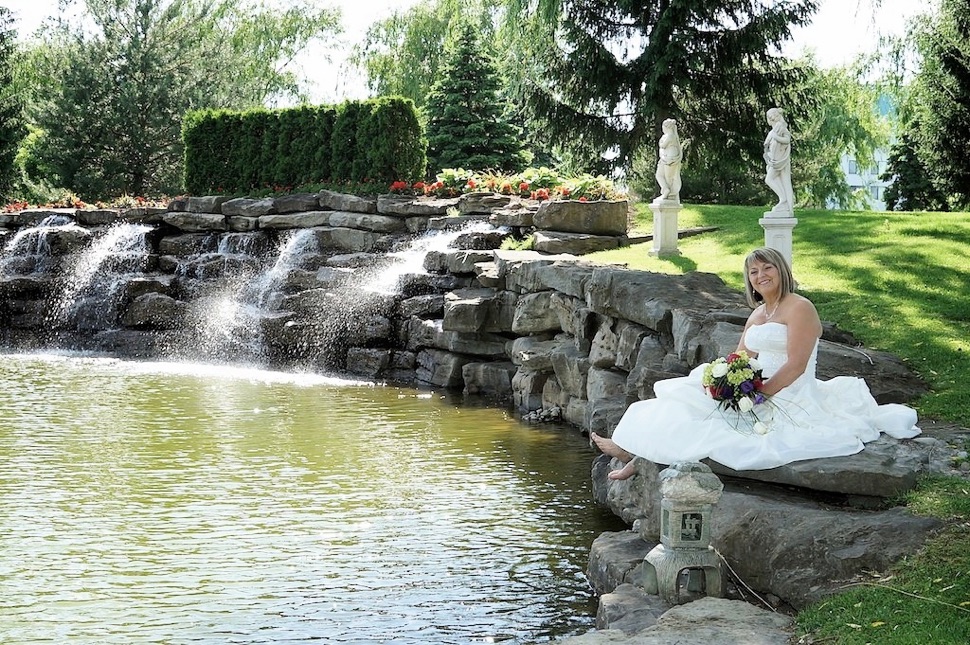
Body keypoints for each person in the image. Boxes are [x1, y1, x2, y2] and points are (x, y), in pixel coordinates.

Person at [591, 247, 921, 479]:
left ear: (781, 271)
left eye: (767, 268)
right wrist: (722, 381)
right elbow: (740, 357)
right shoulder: (759, 312)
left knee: (716, 424)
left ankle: (633, 455)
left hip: (788, 388)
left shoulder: (800, 307)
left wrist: (759, 394)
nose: (760, 275)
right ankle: (633, 453)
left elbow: (796, 364)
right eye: (753, 271)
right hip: (755, 384)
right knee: (689, 396)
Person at [763, 108, 795, 215]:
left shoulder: (781, 129)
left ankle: (784, 200)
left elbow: (787, 140)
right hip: (773, 160)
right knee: (773, 179)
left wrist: (776, 137)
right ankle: (783, 201)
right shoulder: (772, 132)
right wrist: (767, 158)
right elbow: (766, 146)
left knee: (769, 179)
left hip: (779, 161)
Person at [655, 118, 683, 202]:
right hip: (666, 157)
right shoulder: (670, 136)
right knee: (659, 175)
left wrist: (661, 141)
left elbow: (662, 145)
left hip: (670, 158)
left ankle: (669, 194)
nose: (662, 129)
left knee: (669, 178)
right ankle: (665, 189)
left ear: (667, 127)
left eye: (663, 127)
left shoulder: (671, 136)